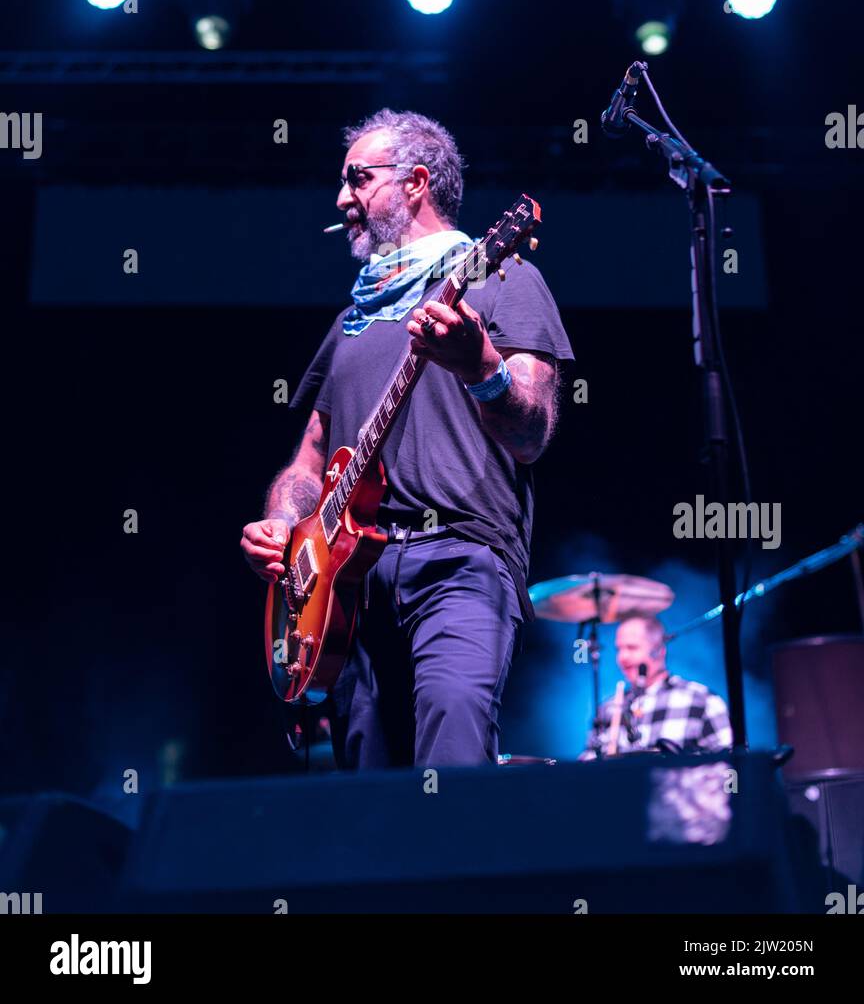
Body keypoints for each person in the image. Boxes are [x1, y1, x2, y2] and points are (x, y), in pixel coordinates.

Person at [241, 108, 574, 768]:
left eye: (358, 179)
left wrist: (480, 368)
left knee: (453, 747)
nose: (342, 199)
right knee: (368, 786)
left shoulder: (501, 279)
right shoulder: (351, 323)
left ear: (417, 182)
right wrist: (283, 525)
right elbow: (309, 459)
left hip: (461, 558)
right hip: (348, 585)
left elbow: (532, 433)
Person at [582, 615, 733, 757]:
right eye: (619, 649)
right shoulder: (609, 708)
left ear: (659, 651)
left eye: (632, 648)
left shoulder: (701, 701)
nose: (623, 658)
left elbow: (732, 768)